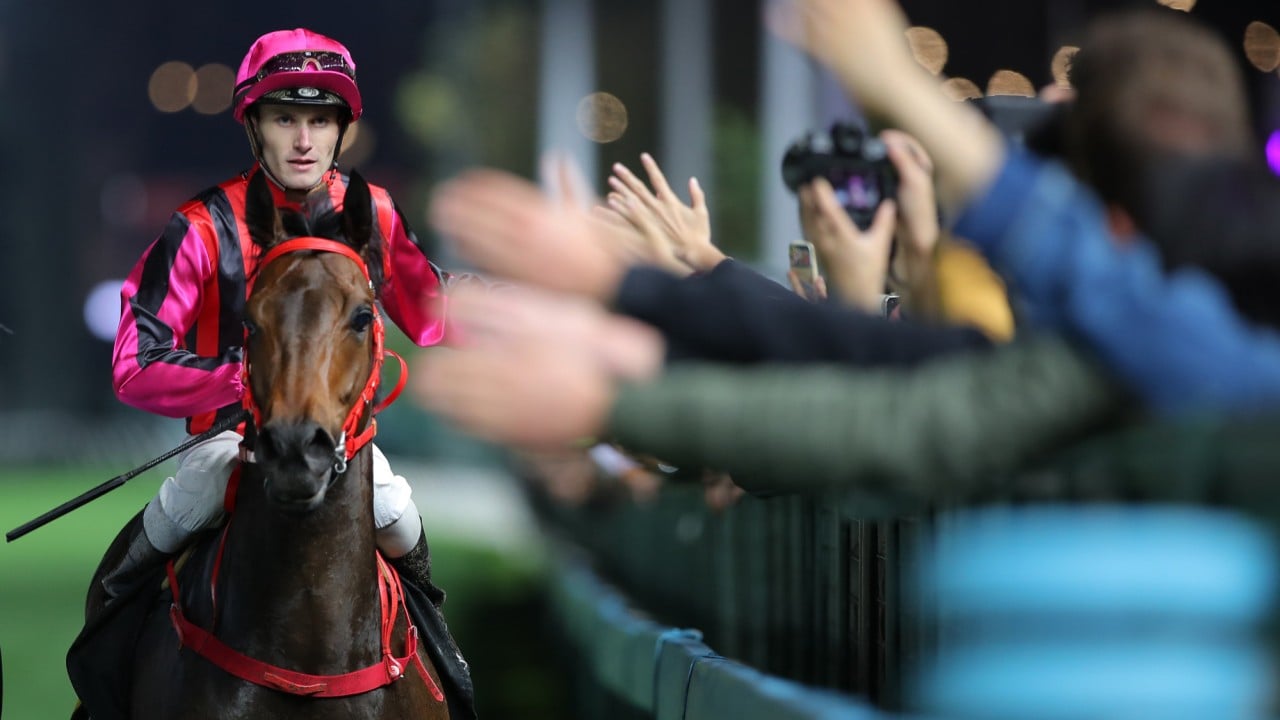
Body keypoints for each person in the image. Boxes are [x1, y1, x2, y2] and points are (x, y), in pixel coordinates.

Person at [85, 27, 473, 719]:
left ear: (341, 130)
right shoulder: (200, 226)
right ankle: (104, 687)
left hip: (343, 442)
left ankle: (444, 677)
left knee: (398, 517)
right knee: (157, 537)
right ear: (255, 127)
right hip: (226, 445)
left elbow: (434, 312)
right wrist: (253, 382)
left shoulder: (373, 213)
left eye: (319, 120)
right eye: (285, 118)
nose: (302, 139)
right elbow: (134, 363)